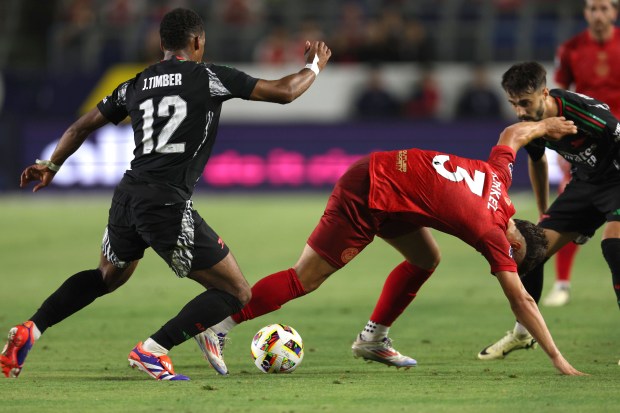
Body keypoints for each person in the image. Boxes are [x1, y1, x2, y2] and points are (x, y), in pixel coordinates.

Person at [0, 8, 331, 380]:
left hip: (126, 198)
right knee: (236, 292)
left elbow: (79, 128)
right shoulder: (208, 76)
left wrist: (52, 165)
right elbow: (285, 92)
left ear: (161, 45)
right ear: (197, 42)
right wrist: (315, 66)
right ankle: (153, 349)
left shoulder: (136, 83)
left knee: (107, 276)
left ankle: (33, 327)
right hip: (166, 204)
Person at [195, 117, 585, 376]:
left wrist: (544, 125)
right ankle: (219, 325)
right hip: (369, 191)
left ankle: (372, 339)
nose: (507, 262)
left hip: (390, 182)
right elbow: (522, 301)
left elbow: (510, 135)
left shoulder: (499, 179)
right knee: (306, 278)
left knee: (426, 258)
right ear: (515, 243)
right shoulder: (493, 234)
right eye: (514, 258)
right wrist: (557, 357)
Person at [477, 61, 620, 362]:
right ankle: (522, 333)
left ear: (544, 93)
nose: (519, 112)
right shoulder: (534, 123)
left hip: (617, 180)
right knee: (530, 251)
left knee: (615, 246)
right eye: (513, 104)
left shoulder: (587, 115)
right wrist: (544, 212)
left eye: (525, 103)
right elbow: (538, 161)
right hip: (585, 184)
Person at [543, 0, 620, 307]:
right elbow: (557, 93)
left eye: (604, 8)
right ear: (585, 13)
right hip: (583, 140)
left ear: (614, 12)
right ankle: (562, 283)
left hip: (617, 138)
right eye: (592, 8)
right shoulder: (571, 48)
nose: (598, 14)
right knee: (568, 205)